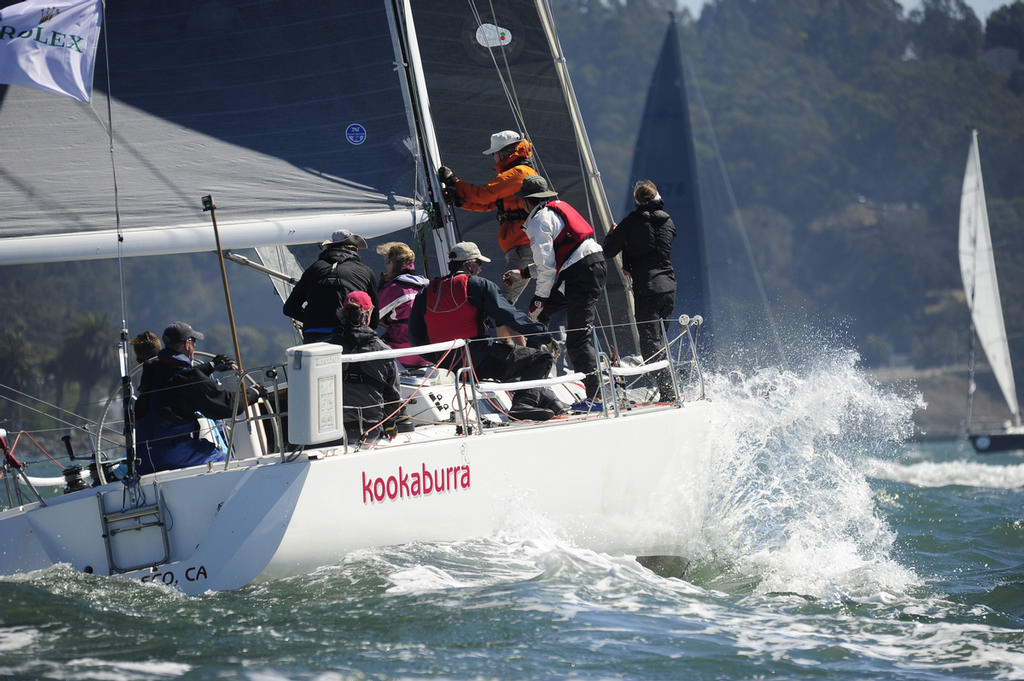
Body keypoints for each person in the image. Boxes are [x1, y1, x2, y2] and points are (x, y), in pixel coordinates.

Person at [408, 242, 559, 421]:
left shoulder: (426, 293)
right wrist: (544, 336)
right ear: (470, 265)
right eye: (479, 264)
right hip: (478, 361)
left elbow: (415, 337)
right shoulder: (478, 285)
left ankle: (553, 404)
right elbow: (510, 316)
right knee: (541, 359)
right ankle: (522, 405)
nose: (480, 269)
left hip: (448, 365)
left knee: (512, 356)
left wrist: (441, 360)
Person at [507, 175, 607, 413]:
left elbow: (547, 266)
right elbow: (558, 257)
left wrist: (539, 299)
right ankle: (535, 387)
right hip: (587, 267)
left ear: (526, 202)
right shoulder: (556, 210)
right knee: (539, 319)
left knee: (577, 337)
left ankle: (595, 398)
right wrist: (523, 273)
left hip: (579, 273)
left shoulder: (538, 220)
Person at [134, 322, 260, 476]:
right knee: (229, 464)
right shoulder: (187, 378)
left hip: (144, 461)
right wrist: (254, 393)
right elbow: (227, 405)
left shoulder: (153, 371)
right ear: (187, 345)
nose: (194, 346)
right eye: (194, 341)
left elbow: (177, 380)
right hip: (173, 454)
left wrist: (211, 366)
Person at [437, 130, 537, 304]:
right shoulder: (518, 173)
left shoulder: (518, 173)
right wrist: (460, 201)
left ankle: (506, 330)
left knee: (504, 303)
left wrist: (455, 183)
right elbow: (491, 204)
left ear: (502, 153)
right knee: (504, 302)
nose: (494, 159)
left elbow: (485, 195)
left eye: (494, 154)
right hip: (520, 248)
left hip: (523, 248)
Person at [603, 180, 677, 400]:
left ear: (637, 201)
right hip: (669, 287)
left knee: (649, 341)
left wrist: (612, 234)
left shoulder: (631, 223)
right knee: (660, 339)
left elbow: (609, 251)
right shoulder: (669, 222)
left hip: (647, 288)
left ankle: (668, 390)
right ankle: (669, 385)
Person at [327, 291, 407, 442]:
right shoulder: (383, 351)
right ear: (368, 316)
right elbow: (393, 397)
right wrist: (389, 424)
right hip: (371, 430)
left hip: (334, 430)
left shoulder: (328, 349)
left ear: (343, 314)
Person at [283, 229, 378, 343]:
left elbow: (290, 308)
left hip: (314, 336)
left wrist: (313, 320)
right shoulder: (366, 272)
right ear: (356, 250)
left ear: (329, 247)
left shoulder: (314, 269)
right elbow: (374, 319)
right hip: (348, 336)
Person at [375, 242, 430, 368]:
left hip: (401, 353)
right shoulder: (428, 285)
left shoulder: (395, 288)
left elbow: (372, 316)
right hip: (429, 353)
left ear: (391, 263)